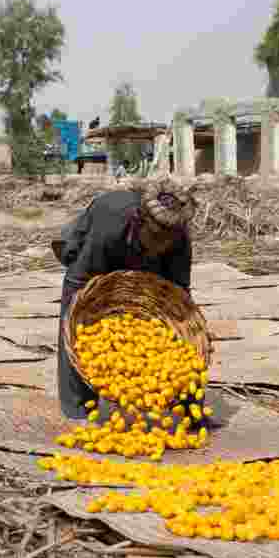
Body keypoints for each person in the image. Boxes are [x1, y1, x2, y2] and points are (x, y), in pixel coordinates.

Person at [56, 177, 197, 419]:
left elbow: (180, 293)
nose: (163, 244)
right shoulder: (111, 224)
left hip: (138, 253)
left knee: (180, 328)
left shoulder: (178, 239)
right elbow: (81, 281)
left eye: (168, 240)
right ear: (141, 221)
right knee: (76, 321)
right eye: (157, 237)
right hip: (93, 248)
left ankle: (190, 409)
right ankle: (78, 406)